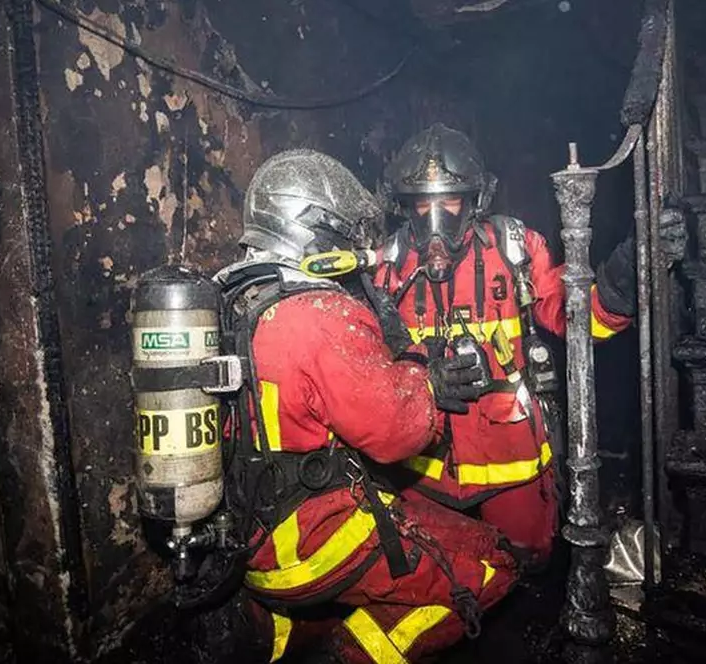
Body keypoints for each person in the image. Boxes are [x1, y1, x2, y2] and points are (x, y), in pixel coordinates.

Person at [215, 148, 519, 663]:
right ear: (318, 229)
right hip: (314, 542)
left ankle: (272, 637)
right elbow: (397, 433)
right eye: (345, 232)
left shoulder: (232, 300)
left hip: (245, 542)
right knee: (490, 565)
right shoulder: (320, 311)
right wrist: (425, 379)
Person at [372, 123, 647, 568]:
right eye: (422, 203)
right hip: (424, 477)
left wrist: (621, 284)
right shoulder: (385, 268)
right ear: (404, 206)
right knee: (440, 576)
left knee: (529, 566)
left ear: (476, 201)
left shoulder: (515, 251)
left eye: (451, 201)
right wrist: (418, 379)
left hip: (513, 466)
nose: (436, 221)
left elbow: (575, 317)